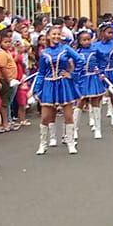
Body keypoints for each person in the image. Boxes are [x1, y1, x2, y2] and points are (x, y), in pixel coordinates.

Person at [31, 24, 78, 155]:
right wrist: (36, 89)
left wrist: (71, 74)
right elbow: (41, 73)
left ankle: (70, 142)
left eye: (58, 34)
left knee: (68, 115)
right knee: (45, 117)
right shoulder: (44, 53)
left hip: (63, 84)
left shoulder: (66, 49)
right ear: (48, 36)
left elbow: (80, 60)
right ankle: (43, 144)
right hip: (48, 85)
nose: (56, 36)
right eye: (54, 34)